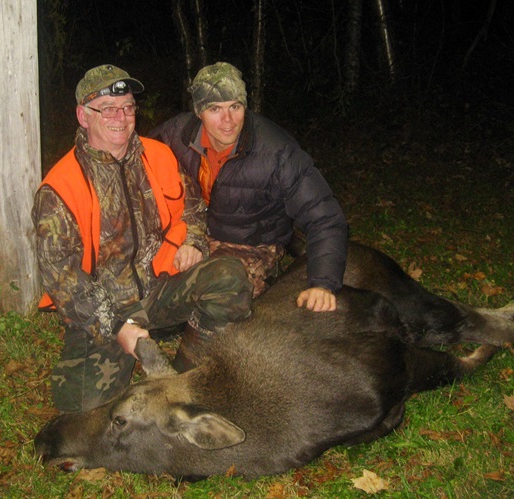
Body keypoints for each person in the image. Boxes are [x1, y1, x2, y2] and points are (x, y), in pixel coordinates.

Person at [32, 64, 253, 413]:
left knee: (229, 276)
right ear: (83, 116)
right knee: (84, 409)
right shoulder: (59, 188)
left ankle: (189, 374)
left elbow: (193, 208)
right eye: (107, 109)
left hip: (159, 288)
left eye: (128, 107)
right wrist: (117, 327)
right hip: (106, 308)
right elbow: (63, 280)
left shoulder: (158, 154)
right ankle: (134, 343)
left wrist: (194, 242)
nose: (121, 117)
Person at [149, 62, 348, 311]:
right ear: (199, 112)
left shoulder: (277, 152)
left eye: (235, 106)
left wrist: (322, 282)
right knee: (153, 281)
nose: (228, 120)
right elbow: (136, 156)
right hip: (193, 233)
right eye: (215, 108)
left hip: (250, 246)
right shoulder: (178, 133)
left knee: (219, 297)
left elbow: (324, 216)